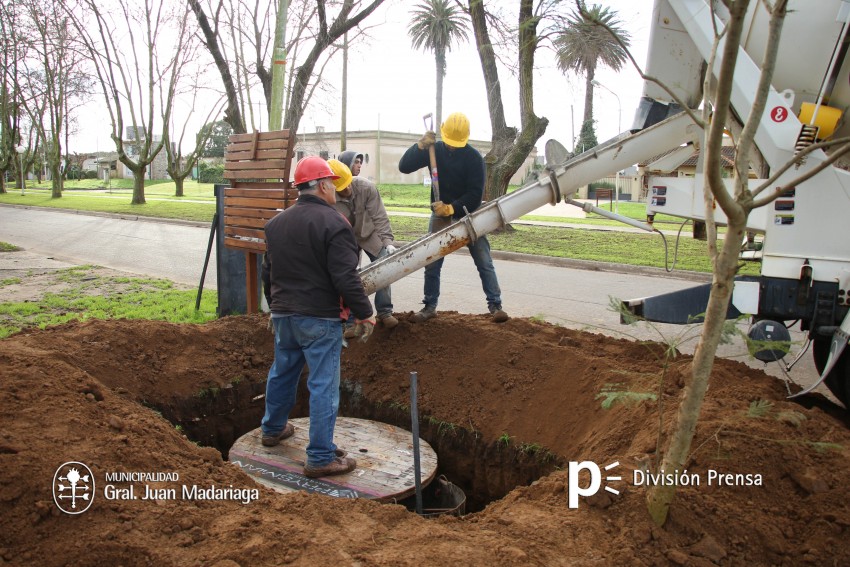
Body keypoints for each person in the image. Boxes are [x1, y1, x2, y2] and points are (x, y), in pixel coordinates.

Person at [260, 155, 375, 479]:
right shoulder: (335, 223)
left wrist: (276, 307)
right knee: (323, 384)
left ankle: (272, 430)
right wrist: (365, 313)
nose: (336, 192)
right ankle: (321, 457)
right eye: (333, 186)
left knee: (282, 372)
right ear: (323, 186)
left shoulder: (276, 224)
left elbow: (268, 272)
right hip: (320, 319)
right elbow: (345, 276)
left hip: (284, 315)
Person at [398, 111, 509, 323]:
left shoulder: (474, 158)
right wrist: (419, 146)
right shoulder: (434, 149)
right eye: (449, 142)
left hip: (468, 215)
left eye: (455, 144)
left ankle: (495, 305)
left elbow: (475, 194)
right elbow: (404, 167)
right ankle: (429, 306)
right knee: (432, 261)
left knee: (483, 260)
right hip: (440, 218)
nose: (451, 146)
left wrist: (451, 208)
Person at [328, 155, 398, 329]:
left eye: (348, 184)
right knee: (349, 275)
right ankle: (352, 319)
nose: (348, 190)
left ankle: (384, 311)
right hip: (346, 238)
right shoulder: (329, 199)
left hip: (369, 233)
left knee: (384, 265)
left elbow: (379, 216)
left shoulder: (366, 187)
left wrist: (388, 242)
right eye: (342, 189)